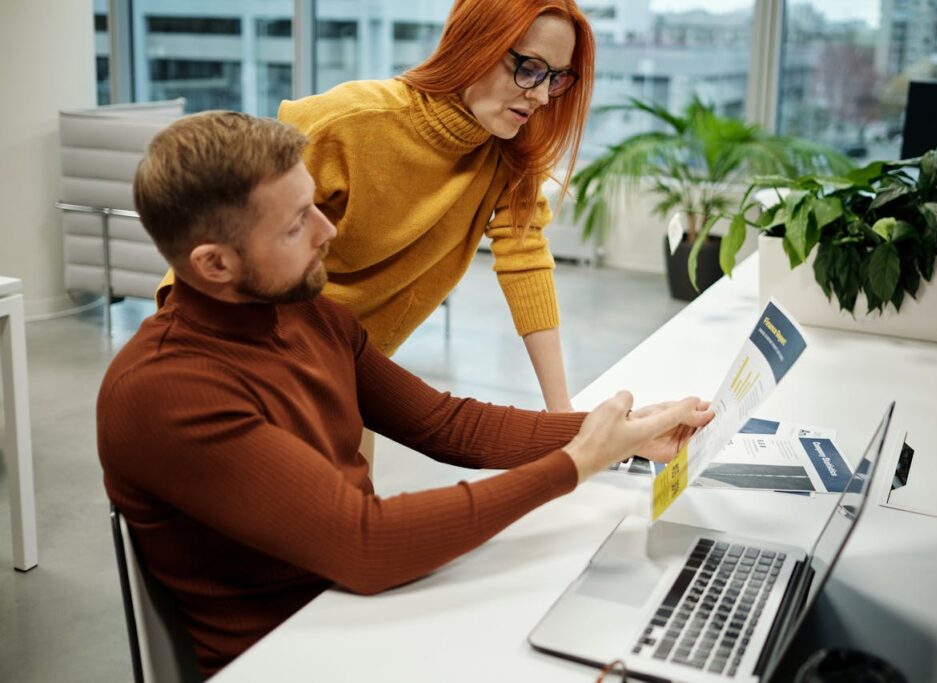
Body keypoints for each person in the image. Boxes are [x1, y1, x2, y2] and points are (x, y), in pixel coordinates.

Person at [98, 111, 713, 675]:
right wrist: (576, 463)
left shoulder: (310, 315)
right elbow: (366, 544)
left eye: (314, 205)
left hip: (370, 614)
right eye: (295, 224)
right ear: (213, 265)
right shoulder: (164, 393)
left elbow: (445, 425)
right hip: (295, 654)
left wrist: (623, 428)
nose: (327, 230)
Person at [160, 0, 594, 414]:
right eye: (530, 69)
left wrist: (562, 411)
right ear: (475, 43)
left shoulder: (509, 152)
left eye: (555, 78)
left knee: (352, 486)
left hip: (350, 366)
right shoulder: (349, 121)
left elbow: (526, 261)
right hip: (251, 353)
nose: (541, 96)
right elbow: (221, 226)